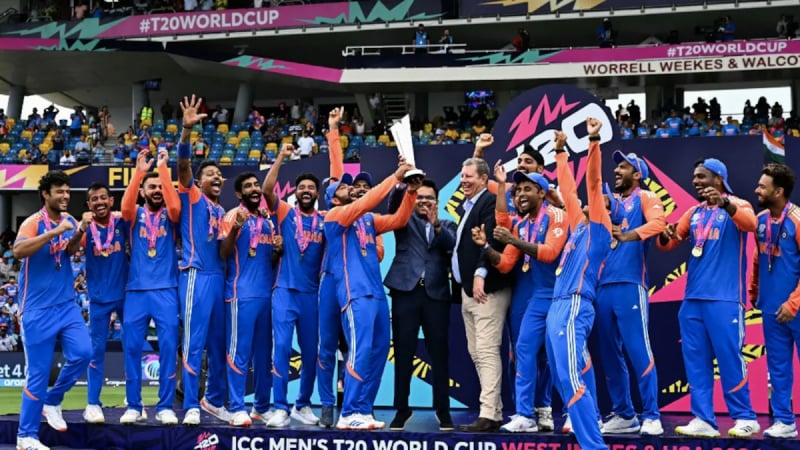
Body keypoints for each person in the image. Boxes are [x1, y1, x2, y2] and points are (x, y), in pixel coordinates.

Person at [657, 158, 759, 437]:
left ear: (719, 178)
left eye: (702, 176)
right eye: (694, 177)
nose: (696, 181)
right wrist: (665, 236)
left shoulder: (739, 204)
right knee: (696, 361)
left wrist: (725, 204)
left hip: (725, 299)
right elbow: (668, 244)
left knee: (729, 358)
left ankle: (745, 417)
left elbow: (750, 224)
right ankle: (703, 418)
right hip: (693, 299)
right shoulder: (694, 212)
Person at [324, 159, 418, 430]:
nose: (351, 188)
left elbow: (399, 220)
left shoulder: (367, 220)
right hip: (355, 293)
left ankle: (363, 409)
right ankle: (348, 411)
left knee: (378, 351)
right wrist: (395, 177)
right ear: (334, 199)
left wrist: (411, 193)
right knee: (360, 349)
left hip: (376, 294)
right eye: (344, 188)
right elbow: (365, 202)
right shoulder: (334, 217)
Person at [473, 166, 567, 433]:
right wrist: (486, 247)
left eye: (528, 189)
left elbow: (550, 253)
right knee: (523, 350)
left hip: (562, 296)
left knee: (558, 356)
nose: (521, 195)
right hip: (539, 296)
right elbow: (505, 264)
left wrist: (513, 239)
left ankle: (573, 412)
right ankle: (525, 415)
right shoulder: (523, 225)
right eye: (518, 191)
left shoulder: (556, 215)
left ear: (542, 192)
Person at [532, 121, 608, 450]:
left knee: (570, 376)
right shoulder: (579, 226)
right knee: (572, 371)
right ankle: (590, 423)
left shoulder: (600, 230)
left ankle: (594, 446)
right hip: (559, 304)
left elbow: (593, 183)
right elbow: (570, 191)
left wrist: (593, 140)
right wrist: (561, 152)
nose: (589, 204)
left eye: (599, 203)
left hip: (574, 303)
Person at [14, 171, 91, 450]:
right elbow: (18, 251)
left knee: (84, 353)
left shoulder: (69, 219)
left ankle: (53, 399)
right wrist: (53, 233)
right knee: (37, 374)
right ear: (46, 194)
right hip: (37, 309)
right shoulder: (33, 222)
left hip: (66, 304)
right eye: (60, 191)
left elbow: (69, 251)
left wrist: (79, 231)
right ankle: (26, 437)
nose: (66, 196)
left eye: (68, 191)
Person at [596, 152, 666, 436]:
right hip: (602, 286)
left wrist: (627, 235)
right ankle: (624, 414)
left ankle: (651, 415)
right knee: (609, 354)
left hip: (630, 284)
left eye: (623, 167)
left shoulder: (646, 197)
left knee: (638, 350)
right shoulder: (609, 200)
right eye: (617, 166)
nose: (617, 170)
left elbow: (659, 224)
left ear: (637, 174)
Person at [261, 144, 325, 427]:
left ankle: (303, 404)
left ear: (317, 194)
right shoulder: (286, 213)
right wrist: (281, 157)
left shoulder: (324, 220)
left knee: (311, 353)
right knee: (283, 349)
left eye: (311, 187)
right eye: (302, 188)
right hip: (284, 292)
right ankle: (280, 407)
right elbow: (267, 190)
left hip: (311, 295)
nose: (306, 191)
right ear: (296, 193)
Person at [385, 178, 456, 431]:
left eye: (429, 198)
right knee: (403, 351)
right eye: (420, 197)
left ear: (437, 201)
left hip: (436, 295)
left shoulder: (447, 224)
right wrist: (403, 186)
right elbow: (394, 203)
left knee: (439, 353)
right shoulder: (404, 219)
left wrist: (436, 224)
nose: (424, 201)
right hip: (406, 292)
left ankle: (443, 410)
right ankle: (401, 409)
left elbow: (451, 245)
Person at [175, 95, 229, 425]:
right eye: (210, 174)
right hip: (196, 274)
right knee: (194, 342)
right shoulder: (193, 196)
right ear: (199, 181)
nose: (217, 177)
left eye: (220, 174)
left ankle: (215, 400)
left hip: (219, 276)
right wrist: (186, 131)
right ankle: (191, 403)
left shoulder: (223, 211)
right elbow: (183, 167)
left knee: (219, 344)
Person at [119, 149, 181, 425]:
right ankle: (134, 405)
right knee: (132, 349)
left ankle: (165, 406)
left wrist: (164, 170)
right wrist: (139, 173)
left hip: (166, 290)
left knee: (168, 349)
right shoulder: (134, 215)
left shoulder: (172, 215)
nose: (157, 191)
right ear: (143, 191)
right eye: (151, 187)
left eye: (160, 187)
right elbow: (125, 208)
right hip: (136, 292)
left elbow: (175, 206)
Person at [454, 157, 511, 432]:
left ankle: (488, 413)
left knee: (486, 351)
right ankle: (494, 411)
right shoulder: (469, 206)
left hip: (486, 289)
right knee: (477, 352)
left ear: (483, 179)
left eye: (469, 176)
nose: (464, 180)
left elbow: (493, 239)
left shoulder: (488, 201)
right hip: (468, 291)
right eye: (462, 176)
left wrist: (480, 273)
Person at [66, 182, 129, 424]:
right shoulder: (85, 228)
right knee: (96, 352)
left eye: (104, 197)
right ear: (88, 204)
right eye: (94, 199)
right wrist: (81, 228)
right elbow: (70, 249)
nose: (100, 202)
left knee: (132, 348)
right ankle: (92, 404)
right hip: (99, 299)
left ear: (111, 201)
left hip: (125, 295)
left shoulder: (122, 222)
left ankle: (133, 400)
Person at [219, 172, 279, 427]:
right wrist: (236, 227)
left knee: (264, 357)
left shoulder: (267, 221)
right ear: (239, 194)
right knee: (238, 353)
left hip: (266, 295)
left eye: (256, 185)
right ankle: (236, 407)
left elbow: (268, 260)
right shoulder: (232, 215)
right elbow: (223, 253)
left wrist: (278, 250)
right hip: (240, 294)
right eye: (248, 186)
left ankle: (261, 407)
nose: (254, 189)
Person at [750, 163, 800, 439]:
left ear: (778, 191)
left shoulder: (797, 220)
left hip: (797, 309)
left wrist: (793, 304)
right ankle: (784, 421)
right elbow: (758, 260)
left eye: (762, 186)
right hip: (771, 309)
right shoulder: (759, 221)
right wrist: (755, 292)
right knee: (778, 369)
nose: (757, 190)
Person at [316, 107, 349, 428]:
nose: (346, 188)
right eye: (340, 189)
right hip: (329, 281)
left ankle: (352, 406)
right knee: (326, 348)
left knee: (354, 348)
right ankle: (327, 405)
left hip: (353, 283)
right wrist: (333, 130)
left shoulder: (361, 214)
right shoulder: (328, 215)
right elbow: (336, 171)